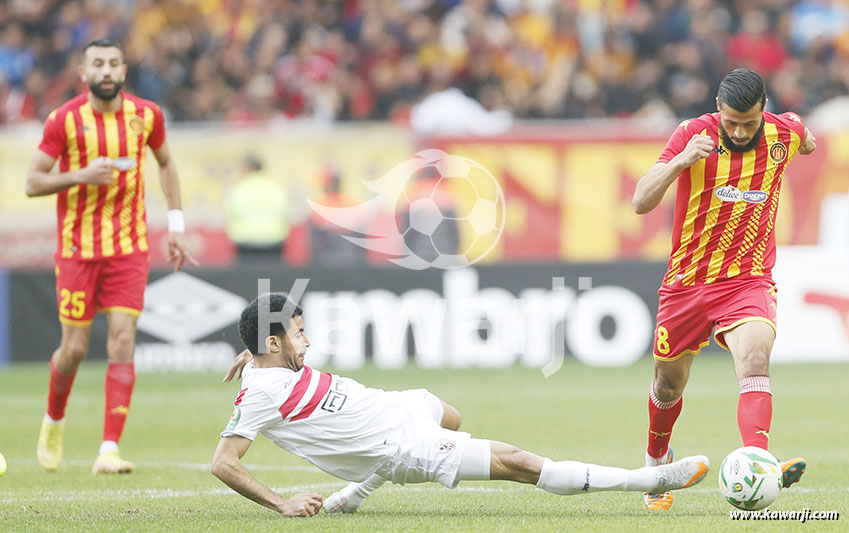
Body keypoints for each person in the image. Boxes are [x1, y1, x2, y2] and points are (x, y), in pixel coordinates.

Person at [212, 292, 709, 517]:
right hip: (402, 447)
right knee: (518, 463)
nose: (308, 341)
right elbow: (223, 463)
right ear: (275, 343)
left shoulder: (267, 365)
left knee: (448, 413)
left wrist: (256, 355)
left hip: (399, 407)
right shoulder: (261, 393)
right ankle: (651, 479)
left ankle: (357, 493)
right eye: (298, 334)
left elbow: (268, 360)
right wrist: (283, 503)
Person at [631, 68, 815, 510]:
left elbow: (805, 137)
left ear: (763, 111)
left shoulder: (782, 133)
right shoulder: (691, 134)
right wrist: (679, 162)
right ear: (718, 109)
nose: (738, 131)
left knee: (755, 359)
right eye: (731, 121)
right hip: (686, 284)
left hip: (746, 280)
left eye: (749, 123)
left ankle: (757, 458)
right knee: (668, 386)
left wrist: (806, 141)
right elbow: (640, 201)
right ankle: (657, 461)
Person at [25, 38, 197, 474]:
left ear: (124, 71)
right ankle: (54, 419)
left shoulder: (147, 115)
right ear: (83, 73)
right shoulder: (63, 120)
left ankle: (108, 449)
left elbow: (166, 162)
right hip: (78, 250)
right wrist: (81, 174)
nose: (105, 71)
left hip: (128, 248)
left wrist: (175, 225)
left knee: (122, 341)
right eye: (97, 64)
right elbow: (32, 182)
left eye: (113, 64)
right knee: (75, 349)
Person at [225, 154, 290, 263]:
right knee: (272, 278)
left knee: (247, 278)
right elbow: (285, 213)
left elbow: (230, 215)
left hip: (245, 243)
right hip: (274, 241)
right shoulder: (276, 188)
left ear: (247, 168)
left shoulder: (238, 189)